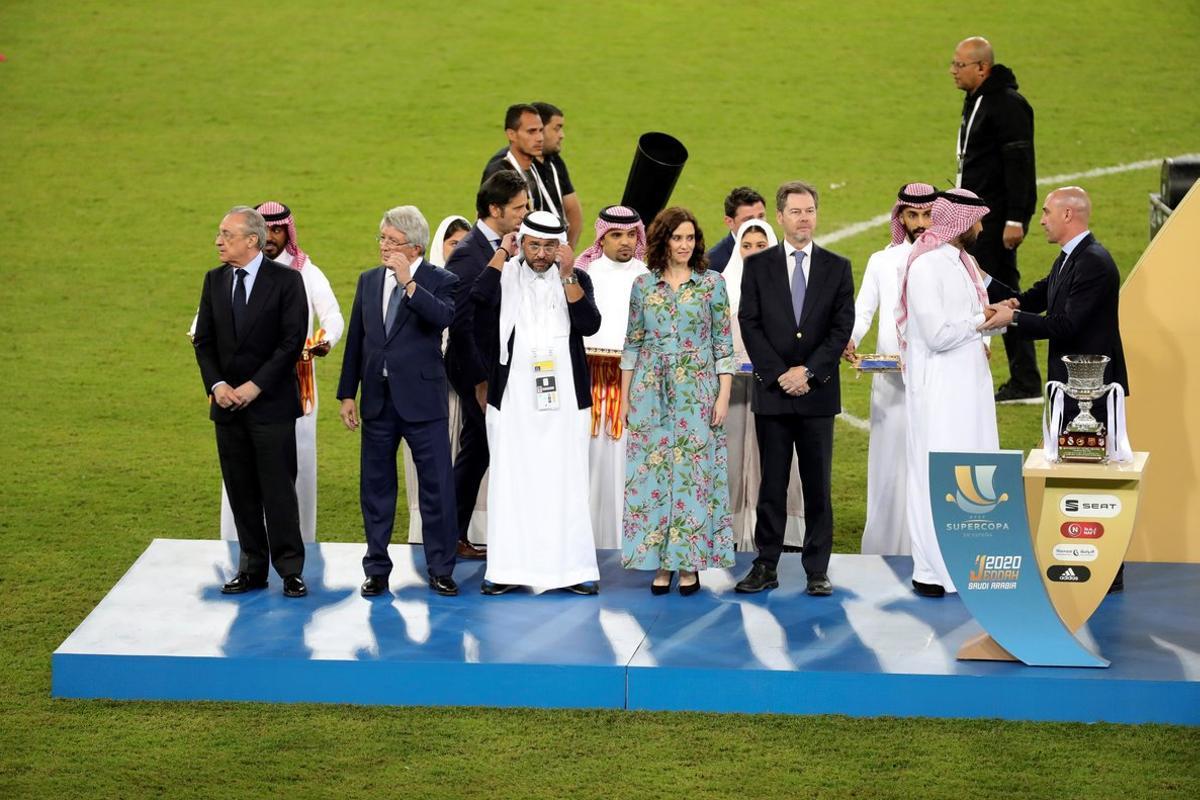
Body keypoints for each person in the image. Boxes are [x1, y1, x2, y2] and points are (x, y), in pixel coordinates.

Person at [980, 186, 1130, 593]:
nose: (1041, 219)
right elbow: (1035, 296)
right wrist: (988, 285)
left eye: (1046, 212)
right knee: (1073, 471)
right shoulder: (1072, 258)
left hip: (1092, 393)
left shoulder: (1094, 263)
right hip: (1069, 388)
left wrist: (1008, 320)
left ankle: (1105, 567)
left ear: (1068, 215)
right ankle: (1078, 556)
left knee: (1092, 477)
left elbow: (1065, 325)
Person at [188, 202, 343, 544]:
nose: (273, 237)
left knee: (291, 468)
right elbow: (203, 328)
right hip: (232, 390)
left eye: (278, 230)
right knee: (238, 473)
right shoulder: (220, 278)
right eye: (267, 229)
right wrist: (217, 381)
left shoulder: (302, 273)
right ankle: (238, 547)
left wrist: (324, 341)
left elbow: (331, 317)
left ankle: (298, 545)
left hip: (293, 384)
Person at [735, 181, 855, 597]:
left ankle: (817, 569)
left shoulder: (838, 267)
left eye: (810, 211)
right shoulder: (757, 266)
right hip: (774, 394)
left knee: (817, 485)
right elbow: (749, 322)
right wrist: (779, 373)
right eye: (797, 212)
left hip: (817, 395)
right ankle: (765, 563)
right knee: (772, 485)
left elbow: (841, 328)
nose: (805, 218)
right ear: (780, 217)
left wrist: (809, 373)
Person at [474, 211, 602, 595]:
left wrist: (567, 275)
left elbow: (589, 324)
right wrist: (501, 254)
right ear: (522, 243)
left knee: (566, 481)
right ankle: (507, 570)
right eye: (534, 245)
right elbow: (477, 300)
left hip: (564, 402)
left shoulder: (578, 278)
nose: (542, 254)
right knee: (512, 481)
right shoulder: (505, 275)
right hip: (514, 400)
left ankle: (573, 570)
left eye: (549, 246)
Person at [337, 206, 461, 597]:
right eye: (383, 239)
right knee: (375, 488)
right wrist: (346, 393)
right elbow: (358, 338)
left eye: (393, 241)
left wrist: (409, 284)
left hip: (423, 403)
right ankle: (376, 568)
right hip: (377, 401)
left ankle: (440, 568)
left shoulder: (442, 280)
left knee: (436, 488)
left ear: (416, 247)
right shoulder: (368, 280)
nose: (385, 247)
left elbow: (442, 318)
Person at [193, 206, 309, 597]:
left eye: (227, 234)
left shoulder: (287, 282)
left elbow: (291, 341)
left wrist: (254, 386)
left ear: (252, 240)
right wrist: (218, 384)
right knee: (241, 491)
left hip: (271, 406)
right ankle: (252, 568)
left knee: (278, 490)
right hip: (227, 407)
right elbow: (204, 341)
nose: (218, 241)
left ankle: (290, 570)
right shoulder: (213, 281)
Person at [621, 206, 736, 596]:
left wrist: (723, 396)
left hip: (698, 393)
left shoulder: (712, 284)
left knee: (693, 479)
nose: (684, 245)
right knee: (653, 478)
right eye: (677, 238)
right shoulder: (643, 285)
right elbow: (632, 344)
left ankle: (687, 564)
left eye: (690, 238)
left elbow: (724, 344)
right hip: (650, 393)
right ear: (663, 241)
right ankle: (658, 563)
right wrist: (624, 401)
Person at [897, 188, 1001, 597]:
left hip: (968, 388)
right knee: (935, 477)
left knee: (973, 474)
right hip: (939, 392)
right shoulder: (926, 267)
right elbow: (937, 335)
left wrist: (994, 319)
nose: (981, 227)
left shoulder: (963, 262)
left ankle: (965, 567)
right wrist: (983, 321)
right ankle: (931, 571)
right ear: (960, 221)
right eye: (977, 219)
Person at [842, 184, 938, 556]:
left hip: (934, 380)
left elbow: (973, 305)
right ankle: (885, 544)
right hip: (889, 380)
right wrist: (849, 339)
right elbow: (862, 310)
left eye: (927, 215)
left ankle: (927, 544)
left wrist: (983, 344)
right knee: (888, 461)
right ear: (900, 217)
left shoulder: (950, 259)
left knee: (928, 459)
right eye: (911, 216)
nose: (919, 223)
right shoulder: (881, 261)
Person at [444, 171, 530, 559]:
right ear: (495, 209)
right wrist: (479, 381)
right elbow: (459, 324)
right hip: (475, 370)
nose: (525, 212)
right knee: (478, 449)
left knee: (480, 450)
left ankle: (453, 532)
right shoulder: (469, 254)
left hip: (498, 367)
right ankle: (451, 534)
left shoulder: (506, 246)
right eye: (518, 207)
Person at [950, 35, 1040, 402]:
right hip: (977, 217)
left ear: (982, 67)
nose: (952, 71)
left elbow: (1021, 166)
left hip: (995, 220)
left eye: (959, 65)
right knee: (994, 289)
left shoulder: (1006, 105)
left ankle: (1024, 380)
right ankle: (1022, 377)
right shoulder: (978, 101)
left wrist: (1017, 218)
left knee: (999, 292)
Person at [722, 219, 807, 551]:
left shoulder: (789, 288)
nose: (753, 253)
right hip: (733, 393)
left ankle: (781, 533)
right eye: (747, 246)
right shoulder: (722, 287)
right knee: (730, 457)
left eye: (761, 246)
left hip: (776, 389)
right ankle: (730, 530)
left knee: (776, 458)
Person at [575, 205, 649, 549]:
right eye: (616, 235)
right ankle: (583, 542)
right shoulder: (582, 273)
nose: (625, 242)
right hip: (587, 385)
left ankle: (625, 542)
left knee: (625, 465)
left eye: (631, 234)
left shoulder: (648, 276)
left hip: (631, 387)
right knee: (586, 462)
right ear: (601, 238)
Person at [403, 213, 471, 547]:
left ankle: (464, 529)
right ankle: (423, 530)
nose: (458, 250)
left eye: (464, 244)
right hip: (425, 389)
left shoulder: (463, 282)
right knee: (428, 460)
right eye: (452, 243)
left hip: (463, 388)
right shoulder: (420, 282)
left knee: (460, 458)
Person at [483, 103, 582, 248]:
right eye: (531, 132)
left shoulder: (538, 166)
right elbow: (486, 222)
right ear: (512, 134)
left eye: (541, 131)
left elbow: (573, 210)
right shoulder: (500, 170)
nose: (540, 138)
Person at [705, 187, 767, 273]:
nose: (758, 224)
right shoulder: (712, 263)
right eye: (748, 219)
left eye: (761, 216)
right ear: (730, 222)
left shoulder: (776, 250)